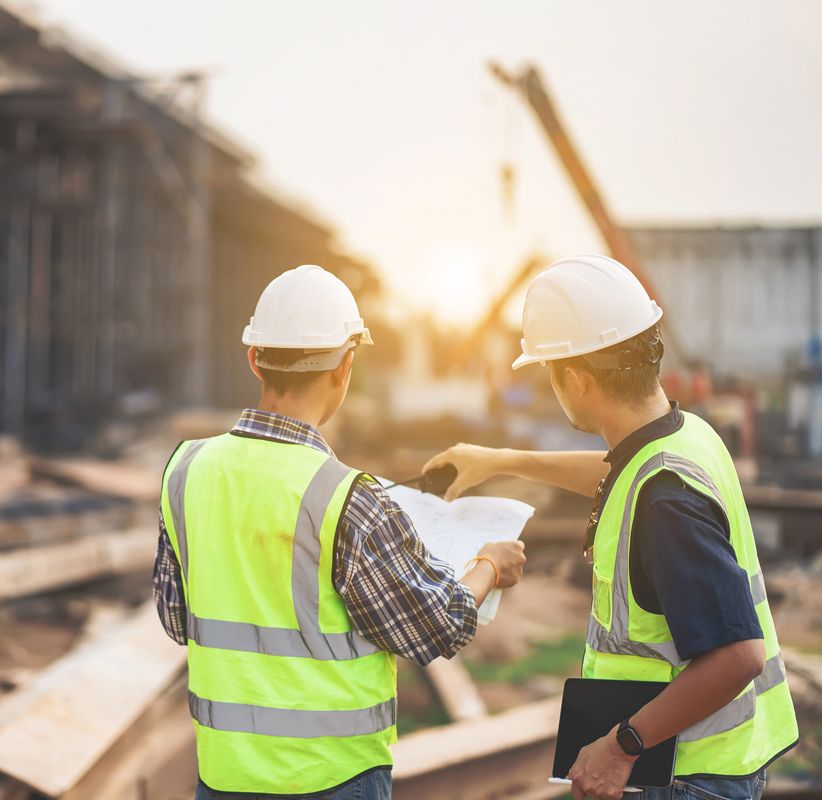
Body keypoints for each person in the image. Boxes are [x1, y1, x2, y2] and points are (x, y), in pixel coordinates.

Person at [424, 255, 798, 800]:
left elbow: (740, 654)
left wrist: (621, 745)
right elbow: (618, 474)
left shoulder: (667, 501)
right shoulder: (684, 436)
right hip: (699, 764)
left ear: (574, 380)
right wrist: (499, 459)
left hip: (685, 776)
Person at [153, 265, 526, 799]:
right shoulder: (346, 498)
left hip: (224, 777)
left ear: (254, 359)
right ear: (345, 366)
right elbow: (438, 626)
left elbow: (175, 617)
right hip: (334, 780)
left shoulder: (186, 469)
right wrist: (489, 564)